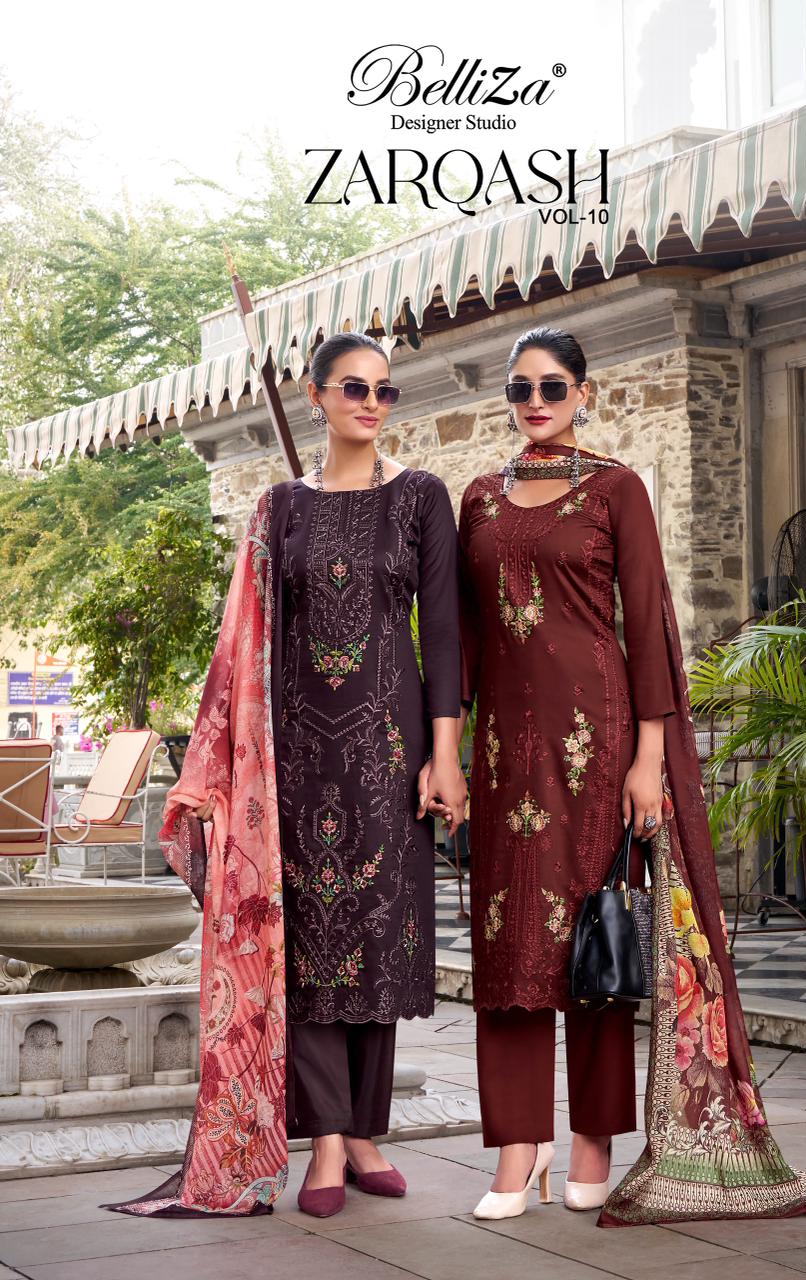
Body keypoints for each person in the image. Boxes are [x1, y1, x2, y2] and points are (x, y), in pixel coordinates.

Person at [457, 326, 806, 1225]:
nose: (536, 403)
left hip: (597, 745)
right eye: (521, 389)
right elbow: (468, 637)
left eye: (553, 387)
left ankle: (593, 1140)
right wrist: (448, 747)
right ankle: (519, 1148)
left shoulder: (616, 488)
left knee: (594, 940)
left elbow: (651, 626)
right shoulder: (477, 498)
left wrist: (650, 759)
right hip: (505, 753)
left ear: (584, 394)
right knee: (509, 949)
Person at [106, 332, 465, 1219]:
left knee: (376, 938)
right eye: (355, 388)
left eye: (385, 390)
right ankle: (329, 1142)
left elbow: (443, 632)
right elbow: (248, 637)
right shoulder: (280, 509)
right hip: (295, 756)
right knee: (306, 941)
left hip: (389, 751)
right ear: (316, 396)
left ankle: (366, 1131)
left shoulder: (420, 497)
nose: (372, 403)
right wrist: (226, 768)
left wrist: (446, 754)